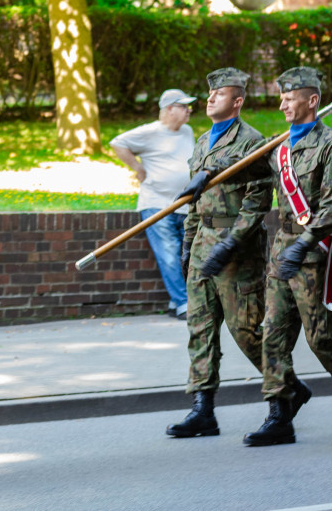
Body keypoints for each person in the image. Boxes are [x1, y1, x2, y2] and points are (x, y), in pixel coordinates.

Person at [166, 68, 309, 438]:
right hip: (202, 246)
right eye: (210, 92)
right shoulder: (202, 142)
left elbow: (258, 200)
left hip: (236, 250)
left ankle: (284, 397)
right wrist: (188, 244)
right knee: (200, 329)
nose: (211, 98)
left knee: (247, 330)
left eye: (220, 93)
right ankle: (203, 408)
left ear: (238, 101)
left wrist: (231, 243)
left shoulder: (252, 142)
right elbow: (195, 202)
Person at [244, 67, 332, 447]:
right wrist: (206, 179)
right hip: (281, 250)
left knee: (321, 338)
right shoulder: (280, 148)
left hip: (315, 251)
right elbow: (247, 173)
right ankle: (280, 413)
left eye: (290, 97)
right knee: (272, 332)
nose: (283, 103)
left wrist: (302, 247)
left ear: (313, 101)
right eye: (282, 97)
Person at [110, 88, 197, 319]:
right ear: (169, 109)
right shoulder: (150, 132)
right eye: (183, 106)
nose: (189, 111)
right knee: (168, 253)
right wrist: (138, 168)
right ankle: (182, 303)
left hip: (184, 204)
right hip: (157, 204)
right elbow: (117, 142)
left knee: (184, 255)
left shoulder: (187, 131)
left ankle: (175, 300)